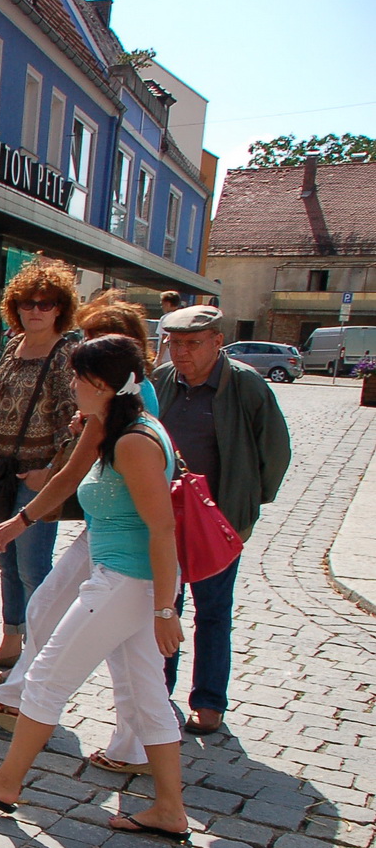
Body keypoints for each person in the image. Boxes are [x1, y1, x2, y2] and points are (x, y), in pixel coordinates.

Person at [0, 335, 193, 846]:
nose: (72, 384)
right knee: (147, 693)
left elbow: (163, 529)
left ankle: (6, 781)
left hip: (126, 582)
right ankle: (170, 809)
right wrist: (19, 521)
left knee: (46, 676)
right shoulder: (108, 427)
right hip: (125, 580)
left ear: (102, 385)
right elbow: (64, 480)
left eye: (79, 378)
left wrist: (167, 609)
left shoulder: (135, 442)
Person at [151, 305, 291, 736]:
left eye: (192, 344)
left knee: (213, 610)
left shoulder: (245, 385)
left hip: (219, 519)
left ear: (217, 342)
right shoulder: (161, 383)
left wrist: (245, 505)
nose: (182, 353)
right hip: (167, 516)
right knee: (163, 605)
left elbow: (275, 451)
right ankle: (157, 688)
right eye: (174, 343)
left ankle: (209, 702)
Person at [0, 260, 80, 672]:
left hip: (39, 471)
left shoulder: (66, 353)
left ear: (60, 308)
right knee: (7, 561)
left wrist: (51, 471)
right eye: (28, 302)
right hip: (6, 467)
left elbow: (75, 419)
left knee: (34, 567)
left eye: (46, 304)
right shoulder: (14, 346)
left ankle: (38, 655)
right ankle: (11, 642)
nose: (36, 310)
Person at [154, 290, 183, 367]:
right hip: (178, 355)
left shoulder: (166, 318)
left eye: (162, 304)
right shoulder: (182, 317)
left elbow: (164, 338)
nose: (162, 307)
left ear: (167, 304)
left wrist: (158, 358)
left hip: (166, 358)